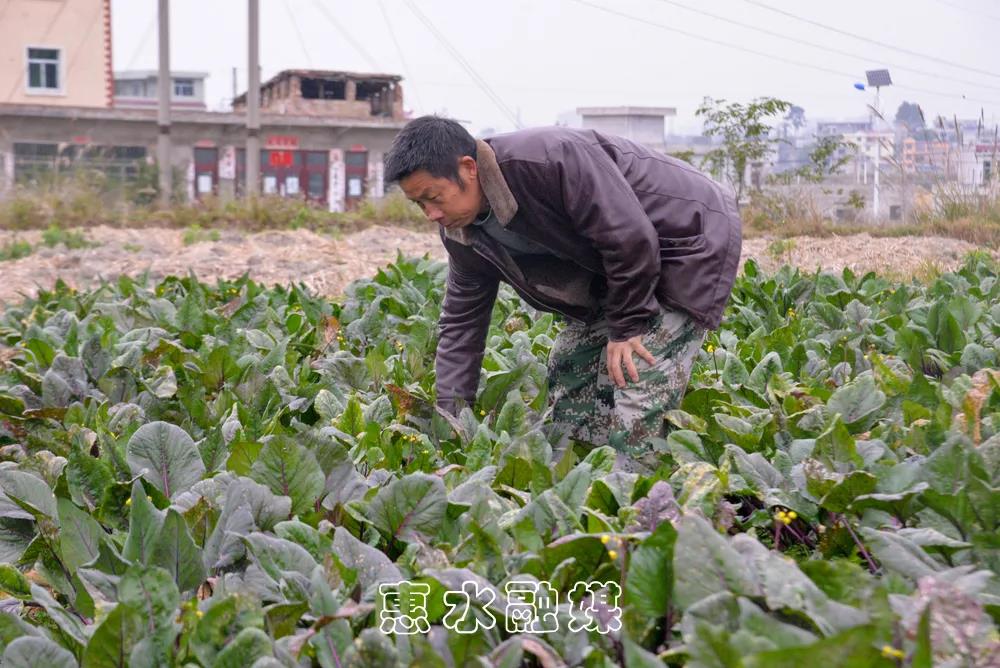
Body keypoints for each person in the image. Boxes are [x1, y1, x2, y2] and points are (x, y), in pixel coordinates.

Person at [384, 116, 742, 473]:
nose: (430, 214)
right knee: (570, 364)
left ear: (468, 168)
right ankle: (576, 482)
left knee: (638, 373)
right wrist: (452, 420)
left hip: (686, 236)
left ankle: (639, 498)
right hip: (616, 267)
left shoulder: (548, 160)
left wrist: (627, 327)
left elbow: (629, 236)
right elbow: (461, 325)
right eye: (419, 205)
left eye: (433, 198)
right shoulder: (462, 237)